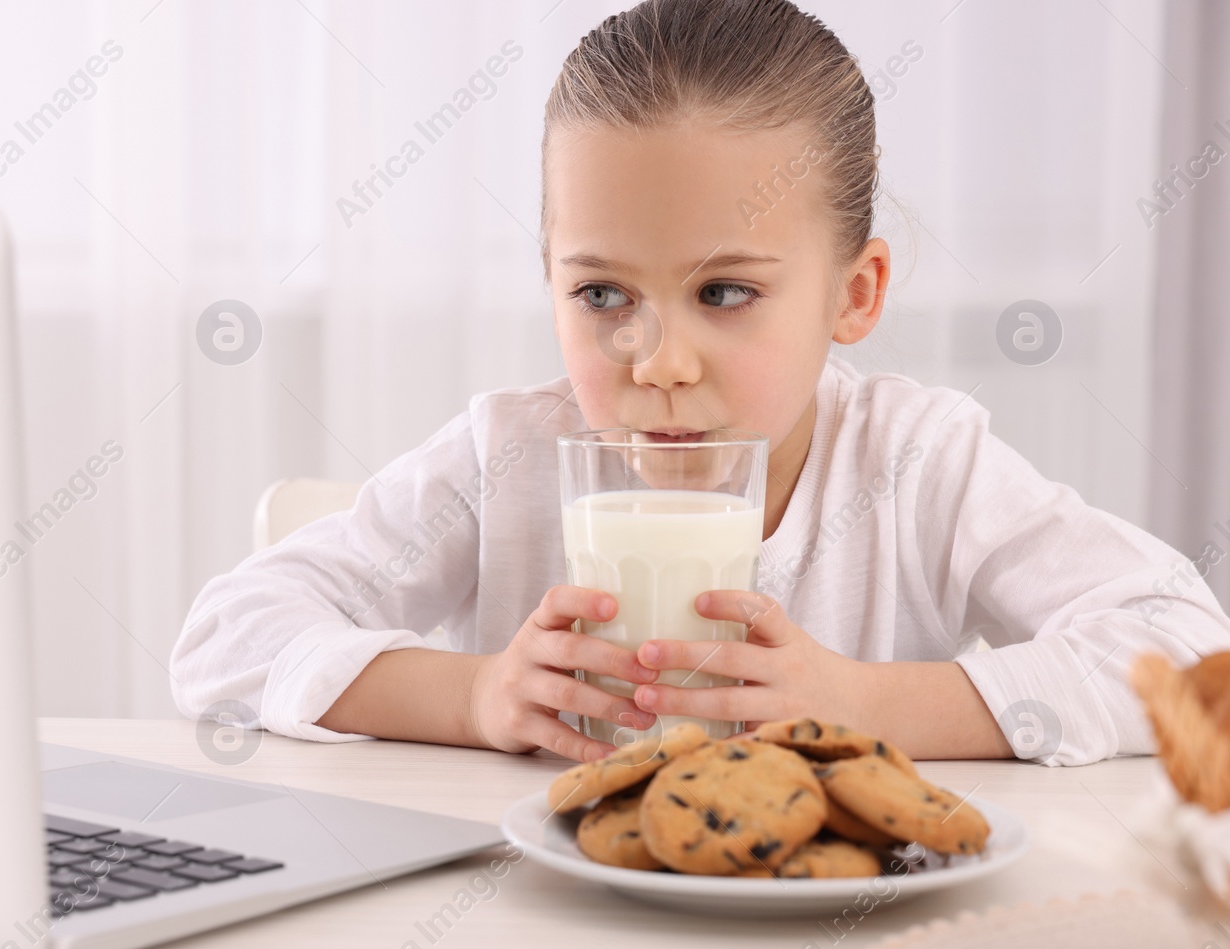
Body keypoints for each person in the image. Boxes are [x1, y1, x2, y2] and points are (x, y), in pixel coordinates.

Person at [169, 0, 1230, 766]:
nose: (657, 361)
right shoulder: (508, 457)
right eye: (600, 295)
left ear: (852, 295)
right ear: (549, 281)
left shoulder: (917, 463)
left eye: (723, 292)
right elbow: (228, 636)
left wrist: (869, 703)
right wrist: (474, 692)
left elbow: (1189, 647)